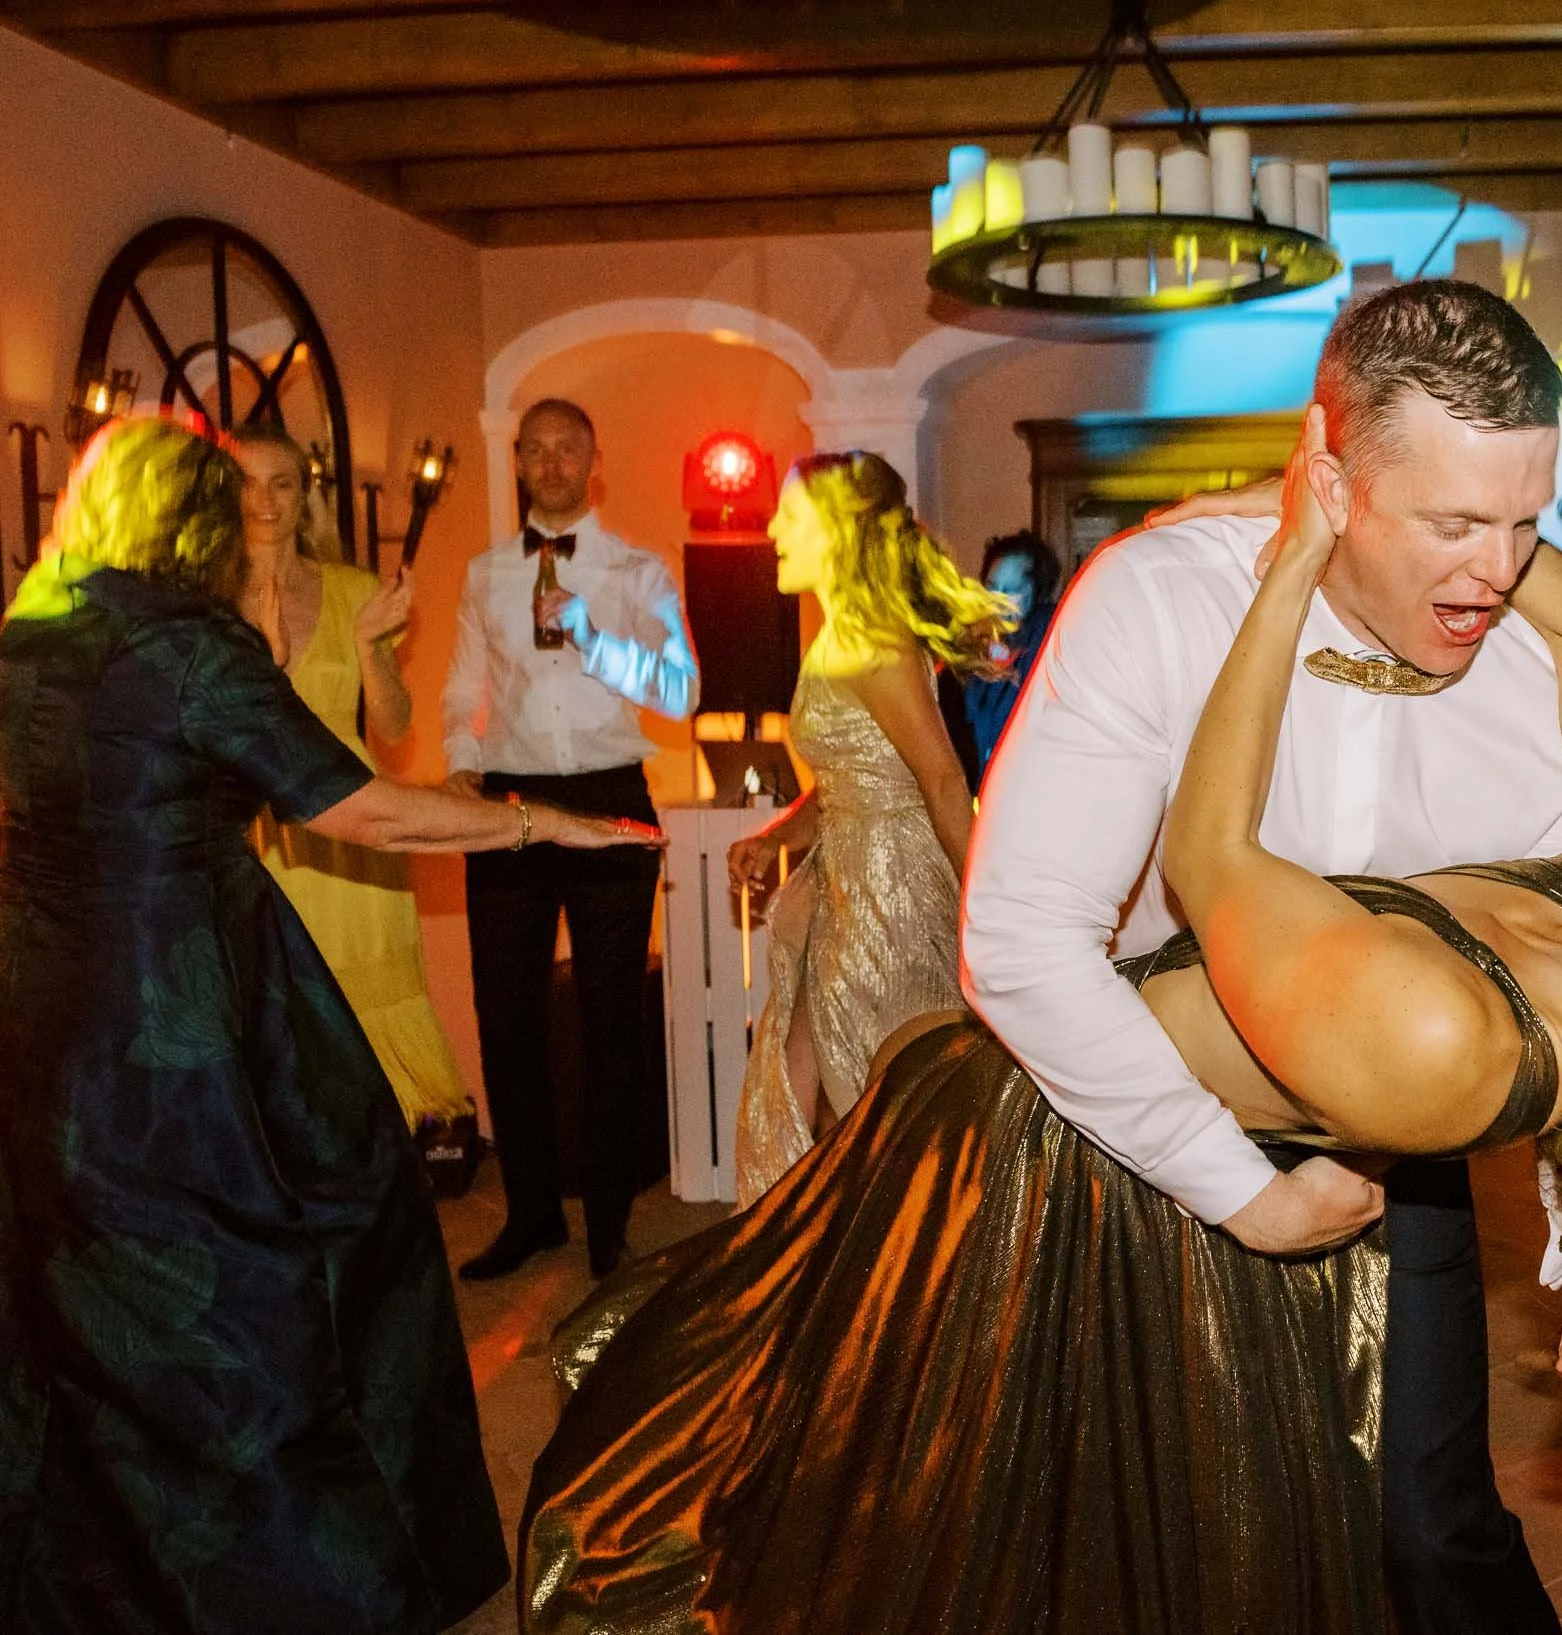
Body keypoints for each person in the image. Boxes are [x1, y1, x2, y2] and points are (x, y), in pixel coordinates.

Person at [515, 420, 1562, 1634]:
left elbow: (1226, 861)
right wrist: (1350, 508)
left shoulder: (1473, 1017)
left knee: (1356, 1525)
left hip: (1261, 1144)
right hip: (1072, 1128)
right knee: (992, 1514)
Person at [962, 281, 1562, 1635]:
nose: (1498, 573)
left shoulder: (1544, 668)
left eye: (1528, 520)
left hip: (1413, 1161)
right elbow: (1020, 940)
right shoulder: (1162, 600)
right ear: (1331, 481)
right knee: (1181, 1545)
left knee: (1434, 1523)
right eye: (1454, 524)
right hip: (1138, 1144)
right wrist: (1239, 1188)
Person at [0, 416, 661, 1634]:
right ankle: (290, 1579)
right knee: (297, 1258)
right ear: (197, 520)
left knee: (80, 1282)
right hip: (184, 1006)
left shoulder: (28, 632)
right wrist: (543, 827)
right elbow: (359, 810)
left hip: (44, 1011)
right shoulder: (188, 640)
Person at [443, 398, 698, 1282]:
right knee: (506, 1017)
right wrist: (461, 758)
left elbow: (679, 691)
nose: (551, 463)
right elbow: (464, 683)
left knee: (609, 1020)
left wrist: (595, 637)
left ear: (596, 463)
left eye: (569, 450)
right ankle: (532, 1214)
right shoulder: (483, 574)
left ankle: (610, 1224)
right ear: (517, 462)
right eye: (536, 450)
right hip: (510, 799)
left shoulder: (637, 569)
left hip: (608, 794)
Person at [721, 452, 1012, 1204]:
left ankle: (892, 1291)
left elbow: (943, 782)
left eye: (792, 513)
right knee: (826, 1109)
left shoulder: (872, 641)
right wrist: (776, 837)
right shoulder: (834, 638)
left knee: (878, 1117)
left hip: (893, 896)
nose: (775, 527)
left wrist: (996, 916)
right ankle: (825, 1280)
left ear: (839, 529)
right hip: (844, 884)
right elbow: (848, 780)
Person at [228, 423, 477, 1159]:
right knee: (270, 1033)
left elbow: (394, 725)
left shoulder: (352, 589)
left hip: (349, 821)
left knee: (364, 1049)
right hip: (253, 830)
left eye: (282, 482)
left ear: (305, 496)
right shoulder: (200, 596)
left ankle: (375, 1209)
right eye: (246, 480)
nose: (264, 499)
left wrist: (369, 646)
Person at [957, 528, 1062, 782]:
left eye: (1012, 589)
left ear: (1038, 591)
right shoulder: (977, 640)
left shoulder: (1048, 634)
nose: (998, 599)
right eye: (992, 587)